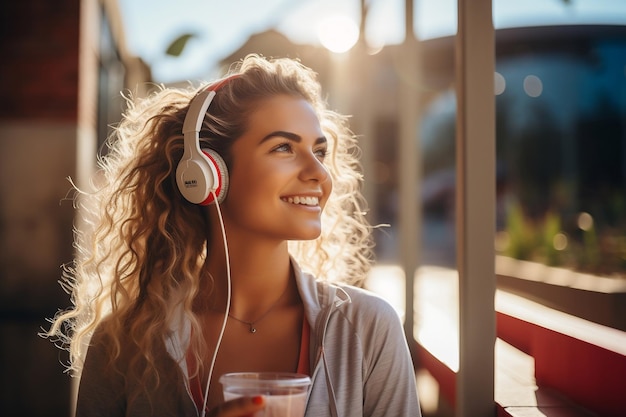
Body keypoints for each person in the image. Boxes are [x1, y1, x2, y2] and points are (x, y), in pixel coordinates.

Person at [45, 54, 420, 417]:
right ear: (206, 174)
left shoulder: (367, 328)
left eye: (319, 151)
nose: (319, 174)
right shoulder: (125, 343)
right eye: (283, 147)